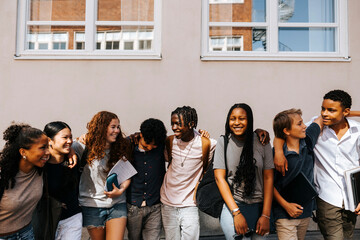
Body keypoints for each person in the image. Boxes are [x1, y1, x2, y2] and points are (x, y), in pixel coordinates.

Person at [274, 90, 360, 240]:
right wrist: (278, 152)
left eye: (331, 110)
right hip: (327, 197)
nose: (325, 114)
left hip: (351, 199)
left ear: (346, 111)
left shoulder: (357, 131)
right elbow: (284, 131)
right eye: (323, 109)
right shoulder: (315, 128)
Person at [214, 103, 274, 240]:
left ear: (250, 120)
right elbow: (219, 178)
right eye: (232, 119)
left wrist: (265, 215)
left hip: (259, 208)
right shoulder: (223, 142)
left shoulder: (262, 141)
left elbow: (268, 178)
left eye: (242, 118)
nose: (236, 123)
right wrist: (236, 213)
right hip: (233, 206)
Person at [72, 111, 135, 240]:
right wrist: (70, 151)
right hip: (92, 205)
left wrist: (121, 190)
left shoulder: (121, 146)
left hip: (117, 204)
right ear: (101, 128)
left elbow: (127, 174)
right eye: (113, 127)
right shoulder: (82, 147)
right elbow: (64, 147)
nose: (117, 131)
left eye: (118, 127)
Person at [160, 106, 217, 240]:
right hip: (167, 202)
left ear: (191, 124)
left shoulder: (207, 144)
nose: (174, 127)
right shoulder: (169, 141)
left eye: (178, 124)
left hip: (190, 204)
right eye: (172, 123)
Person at [272, 109, 322, 240]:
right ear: (287, 131)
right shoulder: (276, 155)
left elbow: (322, 118)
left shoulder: (308, 141)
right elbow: (268, 185)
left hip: (305, 212)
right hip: (284, 214)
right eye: (299, 124)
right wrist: (286, 206)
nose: (305, 126)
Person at [0, 124, 50, 239]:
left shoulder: (41, 168)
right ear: (23, 152)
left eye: (48, 147)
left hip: (27, 233)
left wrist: (72, 151)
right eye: (43, 148)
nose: (48, 152)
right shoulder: (3, 175)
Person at [126, 118, 167, 240]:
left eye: (153, 146)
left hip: (155, 205)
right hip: (133, 205)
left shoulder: (161, 146)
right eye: (145, 145)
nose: (149, 148)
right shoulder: (128, 146)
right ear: (141, 135)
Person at [42, 121, 82, 240]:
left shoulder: (73, 161)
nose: (69, 141)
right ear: (49, 140)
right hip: (47, 220)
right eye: (65, 137)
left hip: (72, 218)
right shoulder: (40, 164)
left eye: (70, 137)